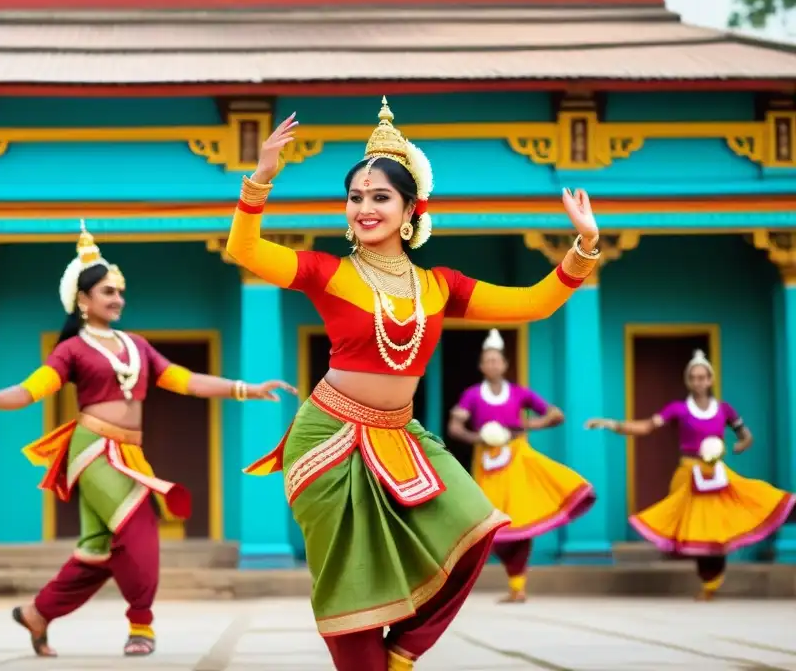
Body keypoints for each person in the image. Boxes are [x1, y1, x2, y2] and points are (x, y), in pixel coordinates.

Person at [226, 99, 602, 671]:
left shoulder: (439, 287)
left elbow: (532, 303)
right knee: (350, 584)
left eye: (380, 197)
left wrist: (584, 247)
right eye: (355, 197)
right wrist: (260, 180)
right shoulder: (329, 273)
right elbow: (244, 250)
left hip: (401, 437)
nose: (365, 207)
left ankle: (402, 651)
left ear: (409, 210)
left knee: (476, 532)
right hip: (328, 438)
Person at [0, 222, 295, 657]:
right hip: (93, 450)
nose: (118, 299)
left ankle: (38, 613)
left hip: (130, 452)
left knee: (101, 550)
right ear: (83, 300)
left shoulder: (137, 345)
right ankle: (141, 626)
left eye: (120, 292)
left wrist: (246, 388)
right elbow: (28, 391)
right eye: (108, 292)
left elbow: (186, 381)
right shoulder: (70, 350)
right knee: (140, 528)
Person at [586, 348, 795, 601]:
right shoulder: (678, 409)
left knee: (722, 524)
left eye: (702, 377)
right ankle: (708, 582)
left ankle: (711, 583)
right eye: (693, 377)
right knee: (697, 527)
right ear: (688, 381)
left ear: (710, 380)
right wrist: (612, 424)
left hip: (718, 474)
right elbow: (646, 426)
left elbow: (745, 435)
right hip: (689, 474)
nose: (698, 381)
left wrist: (741, 445)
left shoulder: (724, 410)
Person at [447, 328, 595, 604]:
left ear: (504, 364)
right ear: (481, 365)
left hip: (516, 459)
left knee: (520, 520)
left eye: (496, 360)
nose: (492, 364)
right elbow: (455, 426)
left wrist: (525, 425)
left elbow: (556, 415)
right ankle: (461, 585)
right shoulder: (472, 395)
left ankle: (518, 586)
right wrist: (475, 436)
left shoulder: (519, 393)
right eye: (487, 360)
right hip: (486, 461)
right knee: (487, 524)